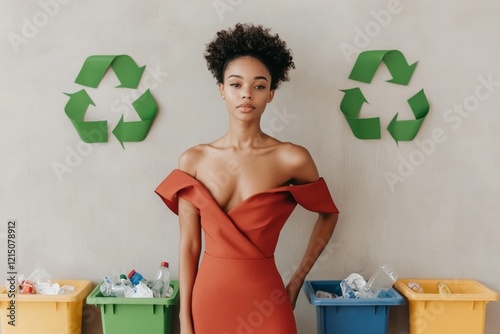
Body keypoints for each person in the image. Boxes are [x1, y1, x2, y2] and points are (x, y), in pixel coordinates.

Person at [155, 23, 339, 334]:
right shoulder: (194, 160)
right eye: (236, 84)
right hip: (209, 300)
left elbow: (328, 214)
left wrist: (296, 282)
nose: (246, 94)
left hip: (267, 300)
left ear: (271, 94)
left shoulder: (291, 158)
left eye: (258, 85)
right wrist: (185, 321)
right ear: (221, 90)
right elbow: (188, 246)